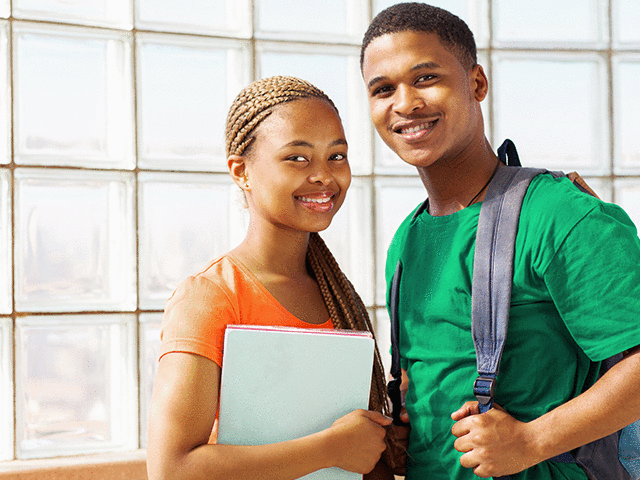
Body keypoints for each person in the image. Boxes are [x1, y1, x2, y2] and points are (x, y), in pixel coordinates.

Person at [359, 3, 640, 479]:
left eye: (425, 78)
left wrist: (533, 440)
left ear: (477, 84)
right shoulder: (406, 240)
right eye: (383, 89)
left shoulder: (559, 213)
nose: (404, 103)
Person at [146, 75, 397, 480]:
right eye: (297, 158)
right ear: (241, 171)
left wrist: (382, 442)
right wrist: (331, 447)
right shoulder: (210, 297)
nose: (323, 176)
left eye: (337, 156)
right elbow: (172, 470)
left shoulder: (337, 295)